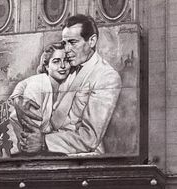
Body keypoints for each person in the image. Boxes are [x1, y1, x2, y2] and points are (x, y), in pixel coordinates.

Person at [15, 14, 122, 155]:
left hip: (81, 157)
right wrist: (17, 98)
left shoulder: (107, 77)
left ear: (92, 41)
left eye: (73, 42)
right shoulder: (67, 65)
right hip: (48, 149)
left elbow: (89, 138)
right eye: (65, 43)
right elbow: (32, 80)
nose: (66, 49)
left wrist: (43, 142)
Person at [8, 41, 71, 155]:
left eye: (66, 60)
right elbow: (30, 133)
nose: (62, 66)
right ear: (46, 66)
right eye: (56, 61)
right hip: (21, 152)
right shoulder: (38, 86)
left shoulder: (65, 87)